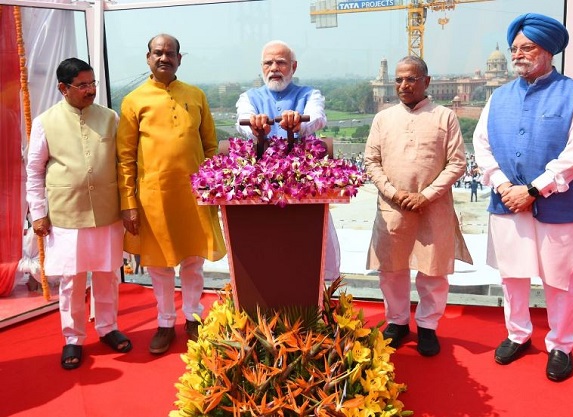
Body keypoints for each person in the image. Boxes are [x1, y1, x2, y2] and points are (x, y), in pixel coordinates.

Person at [472, 13, 573, 382]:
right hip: (507, 202)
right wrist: (505, 186)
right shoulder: (498, 97)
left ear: (548, 50)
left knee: (560, 278)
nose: (518, 54)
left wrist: (535, 190)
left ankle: (561, 345)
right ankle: (518, 334)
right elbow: (482, 145)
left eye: (527, 47)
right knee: (513, 276)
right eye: (514, 48)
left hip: (557, 204)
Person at [116, 34, 226, 355]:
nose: (164, 58)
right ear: (148, 58)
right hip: (154, 198)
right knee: (160, 266)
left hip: (194, 194)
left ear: (180, 59)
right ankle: (165, 322)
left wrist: (213, 185)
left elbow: (209, 146)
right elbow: (125, 157)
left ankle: (193, 317)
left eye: (170, 53)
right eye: (158, 53)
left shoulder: (196, 95)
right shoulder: (134, 101)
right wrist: (128, 203)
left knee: (193, 261)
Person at [25, 58, 131, 370]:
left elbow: (123, 165)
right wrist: (38, 213)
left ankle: (108, 328)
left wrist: (128, 206)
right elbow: (34, 170)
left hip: (107, 211)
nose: (90, 90)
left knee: (107, 274)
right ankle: (73, 338)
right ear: (63, 88)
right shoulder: (46, 121)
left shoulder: (110, 117)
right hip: (67, 213)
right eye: (82, 85)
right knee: (72, 279)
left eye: (93, 83)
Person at [364, 56, 473, 355]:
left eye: (411, 79)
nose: (403, 85)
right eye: (398, 79)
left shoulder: (444, 117)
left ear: (427, 81)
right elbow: (371, 161)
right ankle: (397, 321)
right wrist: (392, 192)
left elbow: (457, 163)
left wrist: (426, 195)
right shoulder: (383, 118)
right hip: (393, 207)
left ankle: (428, 326)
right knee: (392, 268)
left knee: (433, 270)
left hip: (432, 206)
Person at [235, 39, 340, 282]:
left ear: (293, 67)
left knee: (314, 244)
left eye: (281, 62)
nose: (274, 68)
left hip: (303, 183)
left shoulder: (309, 94)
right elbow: (243, 120)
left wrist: (299, 122)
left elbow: (317, 118)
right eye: (268, 63)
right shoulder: (249, 97)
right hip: (262, 185)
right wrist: (255, 127)